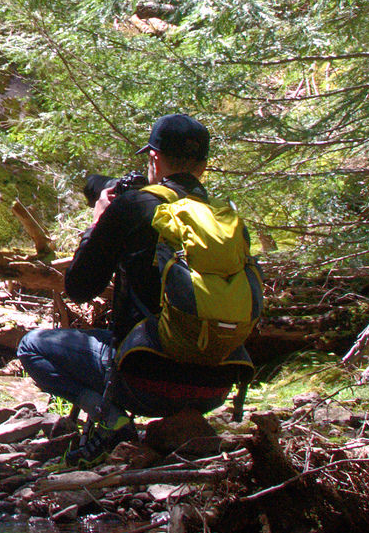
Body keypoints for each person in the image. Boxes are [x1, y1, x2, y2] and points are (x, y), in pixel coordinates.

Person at [18, 113, 257, 468]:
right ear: (203, 167)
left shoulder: (132, 207)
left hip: (145, 382)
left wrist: (99, 219)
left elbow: (79, 288)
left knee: (32, 346)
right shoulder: (225, 220)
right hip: (216, 388)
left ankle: (113, 422)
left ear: (154, 158)